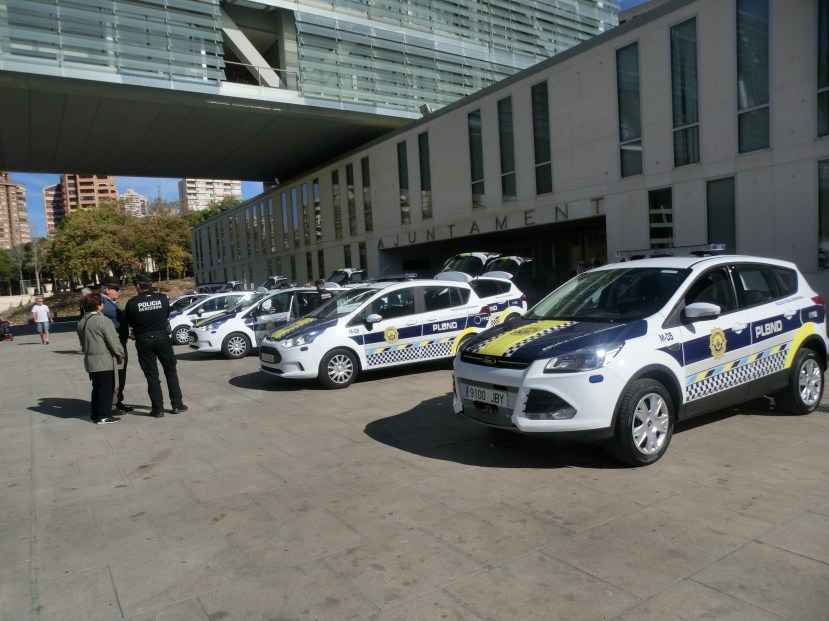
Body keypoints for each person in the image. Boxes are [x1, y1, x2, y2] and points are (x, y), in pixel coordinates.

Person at [125, 274, 187, 418]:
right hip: (162, 337)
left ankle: (158, 409)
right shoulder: (162, 298)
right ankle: (177, 404)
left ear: (138, 286)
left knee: (152, 376)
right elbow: (166, 315)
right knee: (170, 371)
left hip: (144, 338)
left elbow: (130, 322)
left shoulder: (132, 303)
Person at [77, 292, 125, 425]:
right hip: (104, 359)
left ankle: (95, 413)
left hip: (91, 359)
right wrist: (120, 354)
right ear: (98, 305)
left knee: (97, 388)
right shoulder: (102, 320)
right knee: (106, 388)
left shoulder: (82, 322)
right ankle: (104, 415)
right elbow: (113, 340)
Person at [100, 276, 132, 413]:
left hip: (120, 344)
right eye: (116, 289)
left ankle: (118, 401)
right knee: (115, 376)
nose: (119, 291)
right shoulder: (102, 304)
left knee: (121, 374)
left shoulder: (111, 302)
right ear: (107, 289)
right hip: (112, 346)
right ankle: (112, 405)